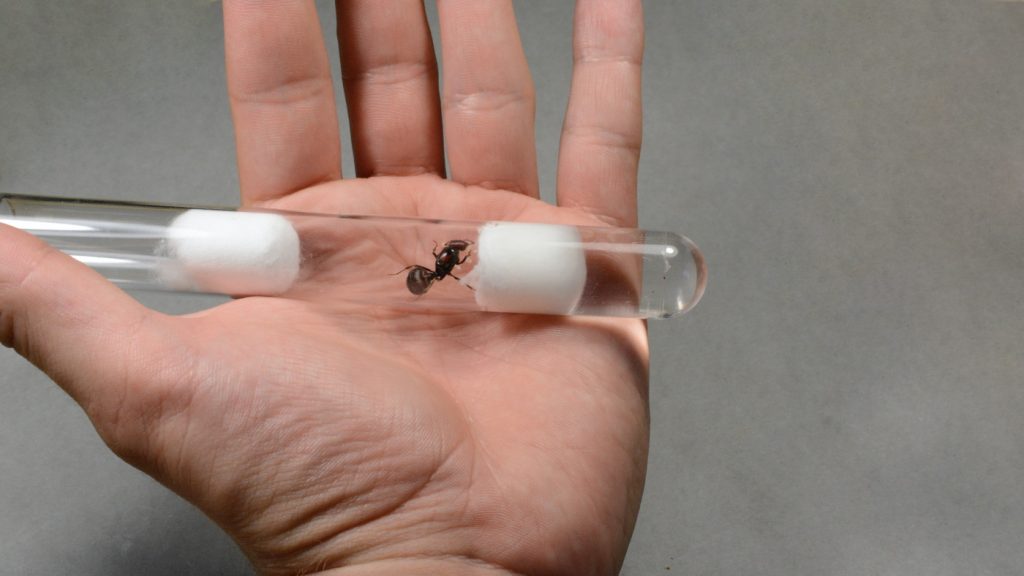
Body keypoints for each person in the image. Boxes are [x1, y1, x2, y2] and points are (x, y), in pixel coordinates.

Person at [0, 1, 649, 574]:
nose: (452, 257)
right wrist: (428, 553)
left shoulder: (449, 262)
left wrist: (412, 554)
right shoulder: (441, 266)